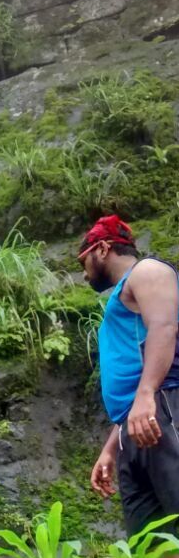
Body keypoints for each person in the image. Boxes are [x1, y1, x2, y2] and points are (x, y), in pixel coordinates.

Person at [80, 215, 179, 537]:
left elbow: (164, 327)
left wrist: (148, 394)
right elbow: (134, 380)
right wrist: (111, 447)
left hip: (163, 406)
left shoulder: (148, 271)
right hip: (135, 426)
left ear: (103, 247)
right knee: (153, 544)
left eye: (84, 261)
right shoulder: (120, 296)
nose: (83, 274)